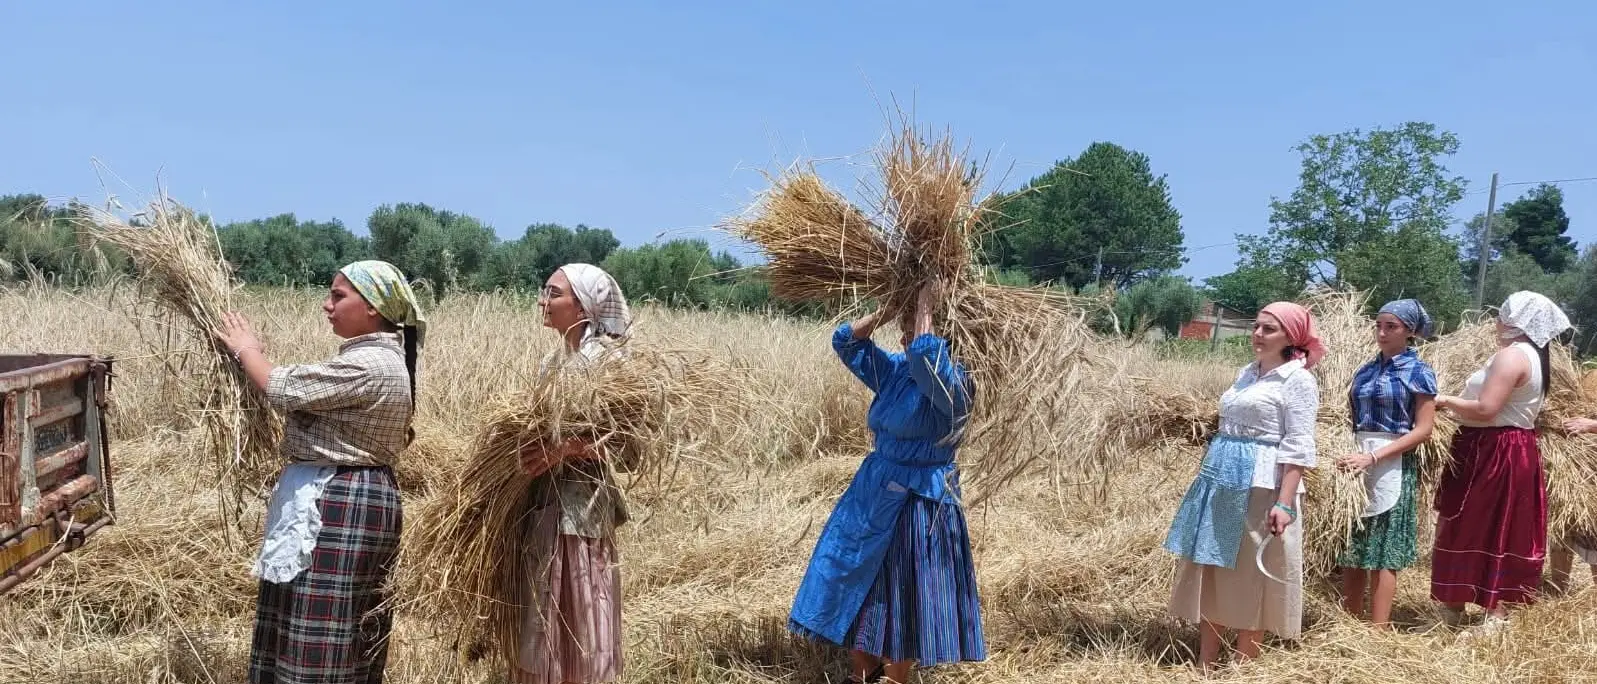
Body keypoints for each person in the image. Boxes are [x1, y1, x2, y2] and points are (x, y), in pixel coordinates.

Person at [220, 260, 426, 684]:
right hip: (353, 493)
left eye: (338, 296)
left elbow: (280, 387)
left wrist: (246, 349)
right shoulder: (381, 360)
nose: (327, 305)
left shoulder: (370, 364)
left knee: (322, 624)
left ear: (373, 307)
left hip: (341, 500)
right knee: (338, 624)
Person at [789, 280, 985, 684]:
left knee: (903, 589)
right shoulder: (896, 372)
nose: (903, 338)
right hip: (874, 488)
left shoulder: (958, 383)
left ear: (945, 334)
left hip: (919, 498)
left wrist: (926, 301)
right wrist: (890, 308)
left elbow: (928, 358)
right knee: (855, 573)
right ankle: (863, 671)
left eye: (911, 330)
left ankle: (896, 677)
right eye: (903, 329)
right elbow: (846, 343)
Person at [1165, 301, 1323, 671]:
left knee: (1253, 570)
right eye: (1256, 326)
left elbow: (1299, 445)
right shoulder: (1247, 373)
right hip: (1222, 478)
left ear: (1291, 336)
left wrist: (1284, 502)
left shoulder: (1298, 380)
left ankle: (1242, 666)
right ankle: (1206, 662)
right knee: (1215, 564)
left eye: (1269, 328)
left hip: (1261, 483)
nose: (1258, 334)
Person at [510, 263, 633, 684]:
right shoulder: (554, 362)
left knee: (578, 603)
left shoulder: (606, 362)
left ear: (583, 307)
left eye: (554, 293)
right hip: (544, 500)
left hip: (580, 508)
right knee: (545, 607)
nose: (542, 301)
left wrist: (562, 450)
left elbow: (625, 441)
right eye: (543, 291)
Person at [1432, 290, 1571, 634]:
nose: (1496, 321)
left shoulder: (1513, 356)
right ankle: (1458, 605)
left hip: (1495, 449)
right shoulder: (1533, 355)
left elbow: (1486, 409)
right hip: (1503, 446)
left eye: (1503, 314)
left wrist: (1444, 400)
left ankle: (1494, 615)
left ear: (1517, 320)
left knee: (1485, 524)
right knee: (1483, 524)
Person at [1334, 299, 1438, 629]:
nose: (1381, 333)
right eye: (1378, 326)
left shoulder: (1419, 372)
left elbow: (1423, 430)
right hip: (1356, 459)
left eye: (1390, 327)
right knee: (1352, 547)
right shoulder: (1365, 370)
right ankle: (1350, 622)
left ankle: (1377, 631)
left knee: (1384, 551)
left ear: (1410, 331)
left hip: (1391, 461)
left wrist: (1374, 456)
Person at [1549, 417, 1597, 593]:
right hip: (1568, 454)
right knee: (1561, 523)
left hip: (1590, 454)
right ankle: (1558, 590)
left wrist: (1592, 425)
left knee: (1592, 526)